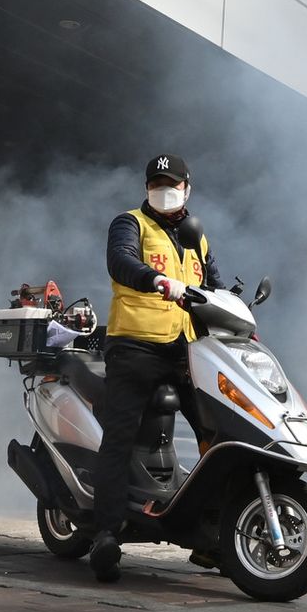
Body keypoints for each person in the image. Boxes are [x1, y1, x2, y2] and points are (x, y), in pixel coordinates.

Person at [87, 154, 223, 583]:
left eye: (172, 182)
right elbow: (121, 262)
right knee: (120, 436)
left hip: (185, 351)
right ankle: (105, 533)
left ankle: (210, 536)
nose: (164, 189)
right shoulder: (130, 224)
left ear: (187, 187)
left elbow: (214, 286)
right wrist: (157, 280)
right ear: (147, 187)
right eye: (156, 182)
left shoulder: (195, 236)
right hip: (134, 348)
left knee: (215, 434)